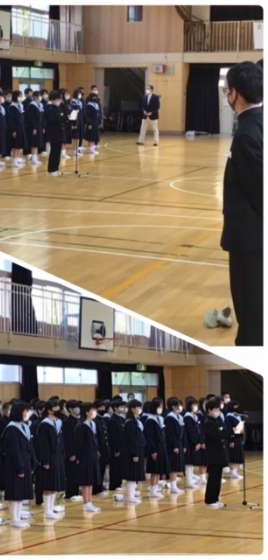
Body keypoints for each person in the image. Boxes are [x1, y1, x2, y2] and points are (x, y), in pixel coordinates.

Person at [221, 61, 263, 346]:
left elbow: (259, 190)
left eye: (228, 90)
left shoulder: (247, 133)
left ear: (235, 93)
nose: (227, 95)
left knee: (251, 313)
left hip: (250, 240)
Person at [2, 401, 37, 529]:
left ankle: (18, 517)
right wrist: (20, 468)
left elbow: (30, 447)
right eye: (25, 411)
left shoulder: (24, 427)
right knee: (15, 494)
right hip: (15, 466)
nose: (27, 413)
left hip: (25, 463)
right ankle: (14, 519)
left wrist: (33, 462)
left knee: (21, 493)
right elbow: (14, 451)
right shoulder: (11, 429)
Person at [35, 399, 66, 519]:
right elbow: (43, 445)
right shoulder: (44, 424)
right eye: (55, 407)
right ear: (49, 410)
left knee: (54, 485)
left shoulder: (58, 422)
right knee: (48, 485)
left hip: (58, 457)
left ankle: (51, 508)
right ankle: (47, 511)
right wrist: (45, 461)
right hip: (49, 458)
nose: (58, 409)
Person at [203, 397, 231, 509]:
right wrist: (221, 431)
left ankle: (215, 499)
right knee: (213, 478)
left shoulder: (217, 420)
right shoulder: (208, 422)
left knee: (218, 478)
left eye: (218, 409)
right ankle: (210, 500)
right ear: (209, 410)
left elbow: (224, 431)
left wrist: (223, 431)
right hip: (213, 454)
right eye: (215, 409)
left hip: (219, 453)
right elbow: (217, 435)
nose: (217, 412)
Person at [74, 402, 101, 513]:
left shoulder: (93, 424)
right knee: (86, 481)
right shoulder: (81, 426)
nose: (95, 412)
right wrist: (79, 457)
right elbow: (78, 444)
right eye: (92, 410)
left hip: (92, 456)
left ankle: (90, 502)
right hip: (84, 457)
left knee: (91, 480)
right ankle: (86, 503)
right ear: (86, 412)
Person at [144, 397, 169, 499]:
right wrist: (153, 451)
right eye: (159, 407)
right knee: (154, 470)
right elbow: (150, 438)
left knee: (159, 469)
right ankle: (152, 490)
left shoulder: (160, 419)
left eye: (162, 407)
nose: (161, 408)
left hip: (162, 447)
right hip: (155, 449)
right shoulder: (150, 420)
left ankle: (156, 488)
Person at [124, 399, 146, 504]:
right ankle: (130, 496)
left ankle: (132, 494)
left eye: (140, 407)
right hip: (133, 452)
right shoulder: (129, 422)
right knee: (132, 475)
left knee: (136, 474)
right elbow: (131, 440)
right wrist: (135, 454)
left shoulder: (137, 421)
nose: (139, 409)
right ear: (132, 409)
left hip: (139, 450)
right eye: (138, 407)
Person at [165, 397, 185, 494]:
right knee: (173, 465)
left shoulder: (179, 417)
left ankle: (174, 485)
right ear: (173, 407)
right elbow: (170, 434)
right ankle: (173, 486)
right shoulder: (170, 418)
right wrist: (175, 446)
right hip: (173, 445)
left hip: (179, 443)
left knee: (177, 465)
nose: (180, 407)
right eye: (178, 405)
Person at [107, 399, 127, 492]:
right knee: (115, 469)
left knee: (120, 469)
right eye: (121, 407)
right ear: (115, 408)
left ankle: (119, 485)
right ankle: (113, 487)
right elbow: (112, 437)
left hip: (123, 448)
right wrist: (116, 450)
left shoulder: (122, 419)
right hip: (116, 449)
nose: (123, 408)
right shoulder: (112, 420)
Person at [45, 90, 66, 176]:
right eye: (58, 99)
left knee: (58, 152)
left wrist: (64, 117)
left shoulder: (58, 108)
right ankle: (51, 169)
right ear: (53, 99)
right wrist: (60, 117)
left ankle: (56, 169)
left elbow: (62, 117)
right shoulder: (50, 108)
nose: (59, 101)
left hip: (59, 132)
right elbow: (52, 120)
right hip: (54, 133)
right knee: (54, 152)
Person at [63, 400, 81, 500]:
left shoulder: (80, 420)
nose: (78, 409)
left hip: (79, 452)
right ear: (70, 409)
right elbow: (67, 440)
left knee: (77, 474)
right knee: (71, 474)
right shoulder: (67, 422)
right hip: (71, 453)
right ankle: (70, 494)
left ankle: (76, 493)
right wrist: (71, 454)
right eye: (75, 407)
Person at [183, 397, 203, 489]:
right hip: (189, 443)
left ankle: (191, 480)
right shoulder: (187, 417)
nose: (196, 407)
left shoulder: (195, 416)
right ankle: (189, 482)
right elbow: (190, 432)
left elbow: (198, 430)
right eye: (194, 405)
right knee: (189, 462)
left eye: (196, 405)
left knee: (191, 463)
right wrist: (196, 442)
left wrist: (199, 441)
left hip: (195, 443)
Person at [225, 401, 245, 480]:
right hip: (233, 439)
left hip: (238, 438)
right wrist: (231, 440)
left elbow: (240, 428)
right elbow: (229, 430)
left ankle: (235, 472)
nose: (237, 408)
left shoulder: (238, 416)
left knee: (238, 456)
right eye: (235, 406)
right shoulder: (229, 417)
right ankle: (233, 473)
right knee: (234, 456)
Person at [7, 90, 27, 168]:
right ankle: (14, 161)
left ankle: (18, 159)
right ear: (15, 97)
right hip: (15, 129)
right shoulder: (12, 107)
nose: (21, 97)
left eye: (21, 96)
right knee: (15, 145)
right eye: (19, 96)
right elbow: (11, 120)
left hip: (21, 128)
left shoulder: (20, 106)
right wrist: (13, 130)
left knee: (20, 145)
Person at [26, 90, 44, 166]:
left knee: (37, 143)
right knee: (34, 143)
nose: (40, 97)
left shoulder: (40, 105)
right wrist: (34, 128)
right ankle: (33, 159)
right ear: (35, 97)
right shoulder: (32, 106)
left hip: (39, 127)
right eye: (39, 96)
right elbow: (31, 118)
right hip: (34, 128)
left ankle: (35, 158)